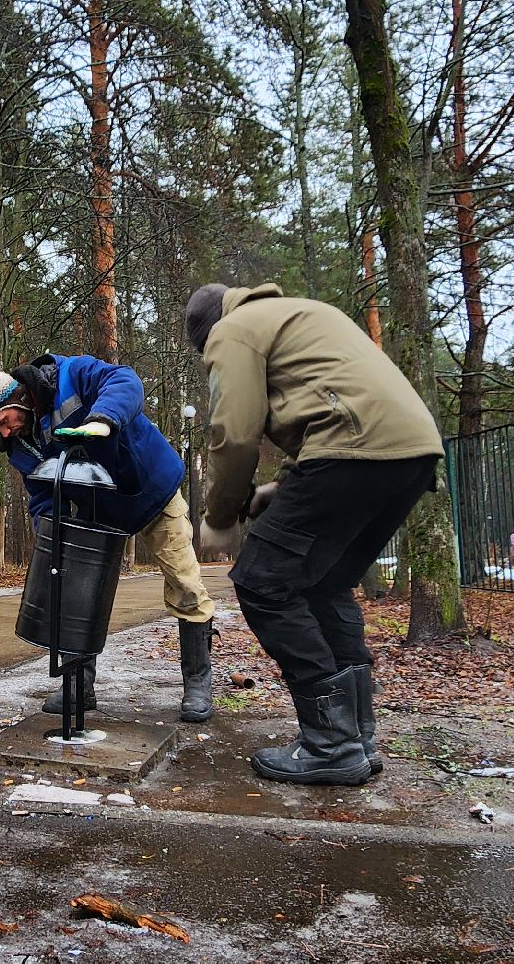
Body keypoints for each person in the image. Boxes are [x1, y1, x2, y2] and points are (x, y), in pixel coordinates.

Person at [184, 282, 443, 786]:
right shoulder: (305, 311)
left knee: (262, 582)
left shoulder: (232, 330)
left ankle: (331, 742)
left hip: (351, 449)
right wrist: (266, 497)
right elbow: (339, 410)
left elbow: (234, 432)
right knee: (323, 584)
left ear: (206, 332)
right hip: (409, 452)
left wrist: (220, 516)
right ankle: (357, 738)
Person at [0, 354, 217, 722]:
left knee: (185, 582)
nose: (4, 432)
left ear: (16, 400)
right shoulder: (21, 445)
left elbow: (126, 382)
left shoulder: (71, 376)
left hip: (151, 489)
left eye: (3, 422)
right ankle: (79, 686)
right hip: (97, 507)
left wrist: (102, 418)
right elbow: (43, 494)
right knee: (74, 593)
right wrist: (52, 537)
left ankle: (197, 682)